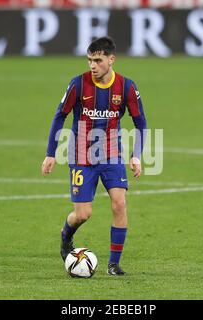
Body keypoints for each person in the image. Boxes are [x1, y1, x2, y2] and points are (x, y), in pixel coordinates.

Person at [41, 36, 147, 276]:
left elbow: (141, 123)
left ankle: (113, 264)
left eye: (97, 60)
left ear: (111, 60)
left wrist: (136, 155)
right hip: (82, 157)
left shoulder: (127, 87)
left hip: (112, 155)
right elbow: (60, 116)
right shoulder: (78, 84)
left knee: (119, 204)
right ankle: (65, 237)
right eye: (89, 60)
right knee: (83, 214)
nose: (92, 65)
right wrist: (51, 153)